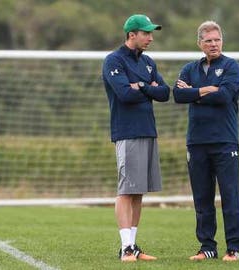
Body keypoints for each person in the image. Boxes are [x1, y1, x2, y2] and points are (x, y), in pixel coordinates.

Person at [173, 21, 239, 262]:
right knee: (202, 199)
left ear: (222, 41)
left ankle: (233, 248)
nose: (214, 44)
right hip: (197, 142)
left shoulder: (232, 66)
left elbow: (224, 96)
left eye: (217, 40)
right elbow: (178, 95)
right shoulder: (189, 69)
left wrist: (195, 92)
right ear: (199, 44)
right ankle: (207, 247)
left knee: (230, 197)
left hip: (225, 141)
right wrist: (205, 90)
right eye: (209, 40)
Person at [102, 14, 170, 262]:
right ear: (132, 35)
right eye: (146, 33)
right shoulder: (113, 60)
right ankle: (125, 248)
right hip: (127, 132)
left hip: (148, 130)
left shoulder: (149, 62)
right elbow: (123, 94)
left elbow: (164, 92)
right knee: (126, 190)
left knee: (139, 191)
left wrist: (140, 86)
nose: (151, 38)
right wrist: (146, 87)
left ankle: (132, 246)